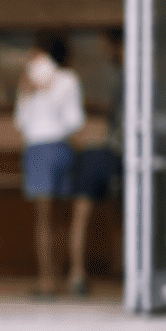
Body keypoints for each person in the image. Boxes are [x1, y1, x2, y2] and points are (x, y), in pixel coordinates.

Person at [14, 33, 85, 297]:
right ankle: (70, 276)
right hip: (63, 147)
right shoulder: (69, 79)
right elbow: (74, 121)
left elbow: (20, 122)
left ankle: (47, 281)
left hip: (37, 148)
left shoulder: (27, 79)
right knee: (63, 217)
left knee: (43, 219)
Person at [65, 30, 124, 296]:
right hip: (109, 153)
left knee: (84, 217)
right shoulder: (124, 77)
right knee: (119, 215)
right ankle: (84, 273)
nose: (104, 52)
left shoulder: (125, 77)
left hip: (100, 152)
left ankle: (80, 273)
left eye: (106, 46)